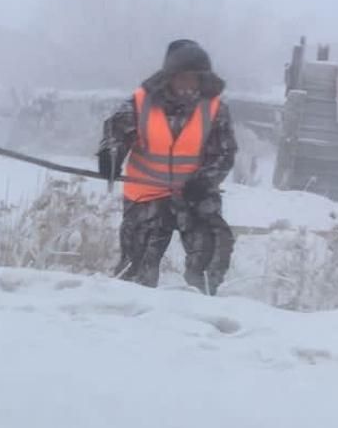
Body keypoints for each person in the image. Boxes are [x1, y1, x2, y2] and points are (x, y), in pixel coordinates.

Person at [98, 39, 237, 294]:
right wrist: (110, 156)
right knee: (135, 272)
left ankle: (200, 313)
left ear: (203, 80)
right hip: (146, 197)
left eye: (194, 79)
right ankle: (130, 315)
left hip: (195, 195)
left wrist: (204, 181)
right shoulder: (140, 103)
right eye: (181, 79)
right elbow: (115, 133)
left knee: (209, 266)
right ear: (169, 78)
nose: (188, 85)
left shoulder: (215, 109)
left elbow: (225, 153)